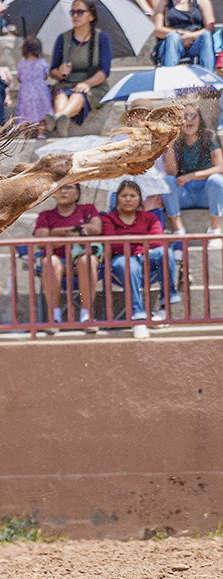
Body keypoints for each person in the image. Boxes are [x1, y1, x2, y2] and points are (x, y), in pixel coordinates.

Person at [103, 180, 180, 338]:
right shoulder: (108, 219)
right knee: (129, 264)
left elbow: (158, 241)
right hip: (121, 260)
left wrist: (129, 242)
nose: (128, 199)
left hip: (146, 259)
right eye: (124, 196)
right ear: (117, 199)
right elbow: (113, 244)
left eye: (133, 195)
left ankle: (165, 307)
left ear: (140, 199)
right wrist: (141, 242)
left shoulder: (150, 218)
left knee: (165, 252)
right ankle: (138, 317)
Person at [33, 184, 101, 332]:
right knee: (50, 262)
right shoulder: (46, 215)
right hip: (57, 260)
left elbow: (96, 229)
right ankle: (54, 317)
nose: (62, 191)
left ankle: (87, 316)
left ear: (77, 193)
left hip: (81, 259)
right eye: (59, 188)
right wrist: (75, 232)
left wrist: (56, 234)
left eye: (68, 188)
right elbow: (41, 239)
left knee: (87, 261)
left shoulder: (88, 210)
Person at [161, 101, 223, 247]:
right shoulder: (176, 141)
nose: (188, 120)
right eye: (184, 116)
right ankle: (178, 230)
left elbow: (220, 167)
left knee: (216, 180)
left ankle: (214, 230)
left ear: (199, 119)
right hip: (185, 194)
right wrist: (169, 146)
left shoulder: (209, 137)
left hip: (205, 193)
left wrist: (191, 176)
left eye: (193, 116)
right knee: (167, 181)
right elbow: (172, 173)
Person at [45, 0, 111, 137]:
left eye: (80, 12)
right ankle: (61, 121)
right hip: (66, 83)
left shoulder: (101, 38)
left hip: (93, 85)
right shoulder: (63, 38)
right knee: (60, 94)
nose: (75, 15)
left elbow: (104, 71)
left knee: (78, 95)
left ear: (91, 16)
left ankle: (57, 118)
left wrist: (87, 83)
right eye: (72, 12)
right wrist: (60, 72)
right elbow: (52, 70)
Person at [152, 0, 215, 69]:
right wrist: (179, 34)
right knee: (173, 36)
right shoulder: (163, 2)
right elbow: (157, 30)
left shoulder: (201, 1)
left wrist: (191, 36)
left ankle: (208, 75)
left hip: (195, 41)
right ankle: (169, 74)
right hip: (172, 41)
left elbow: (210, 27)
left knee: (206, 35)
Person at [16, 36, 53, 139]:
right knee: (42, 112)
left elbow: (19, 77)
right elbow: (45, 75)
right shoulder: (42, 62)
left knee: (24, 112)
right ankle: (41, 133)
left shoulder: (22, 63)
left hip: (25, 91)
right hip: (40, 91)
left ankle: (23, 133)